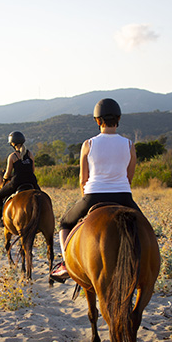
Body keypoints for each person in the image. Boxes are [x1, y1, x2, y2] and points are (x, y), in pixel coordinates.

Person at [50, 98, 141, 283]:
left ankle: (66, 263)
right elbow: (129, 177)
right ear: (118, 119)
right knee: (145, 229)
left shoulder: (88, 144)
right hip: (123, 196)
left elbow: (83, 179)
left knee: (65, 223)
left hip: (93, 196)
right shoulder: (130, 145)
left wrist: (86, 199)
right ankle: (146, 264)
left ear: (97, 120)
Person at [0, 131, 40, 228]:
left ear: (12, 144)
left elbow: (8, 173)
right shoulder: (30, 154)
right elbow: (33, 169)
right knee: (41, 197)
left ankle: (0, 218)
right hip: (32, 181)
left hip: (17, 182)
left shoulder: (12, 156)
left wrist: (5, 178)